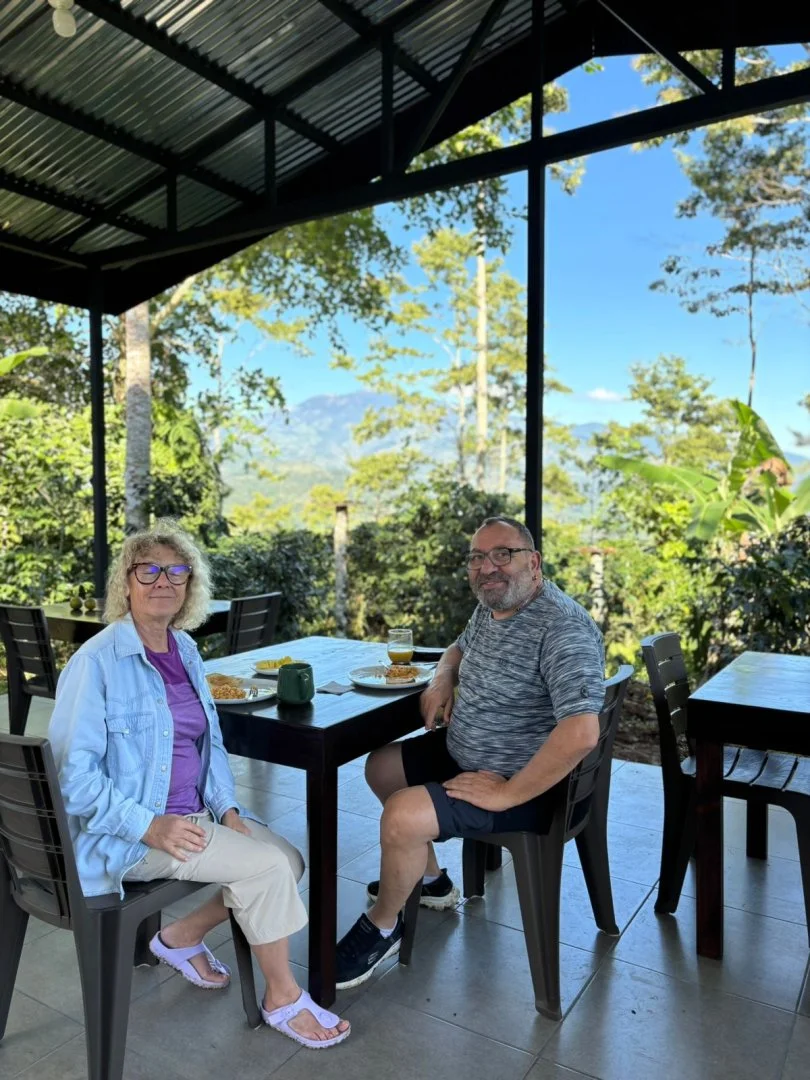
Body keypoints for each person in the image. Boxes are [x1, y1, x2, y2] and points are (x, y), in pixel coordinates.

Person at [48, 520, 349, 1049]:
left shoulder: (184, 649)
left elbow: (208, 745)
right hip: (128, 836)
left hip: (196, 815)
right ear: (126, 582)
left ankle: (181, 936)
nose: (163, 581)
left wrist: (227, 808)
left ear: (190, 584)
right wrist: (149, 826)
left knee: (289, 861)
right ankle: (282, 998)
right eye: (149, 570)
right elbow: (72, 778)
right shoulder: (95, 663)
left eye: (177, 570)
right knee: (267, 868)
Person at [335, 515, 605, 989]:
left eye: (503, 554)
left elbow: (582, 732)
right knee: (381, 767)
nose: (487, 567)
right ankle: (431, 882)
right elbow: (457, 648)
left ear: (534, 563)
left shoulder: (560, 627)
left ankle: (384, 925)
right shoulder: (494, 605)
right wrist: (443, 678)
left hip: (527, 786)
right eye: (477, 558)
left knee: (402, 815)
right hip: (467, 753)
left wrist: (506, 794)